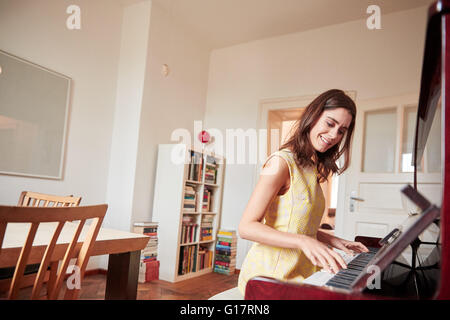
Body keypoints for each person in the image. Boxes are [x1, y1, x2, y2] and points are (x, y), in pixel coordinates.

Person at [237, 89, 369, 296]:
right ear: (313, 116)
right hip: (270, 279)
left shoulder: (311, 167)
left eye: (342, 130)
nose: (334, 135)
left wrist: (334, 241)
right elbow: (246, 227)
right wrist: (304, 241)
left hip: (304, 275)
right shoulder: (281, 162)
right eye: (330, 123)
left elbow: (297, 226)